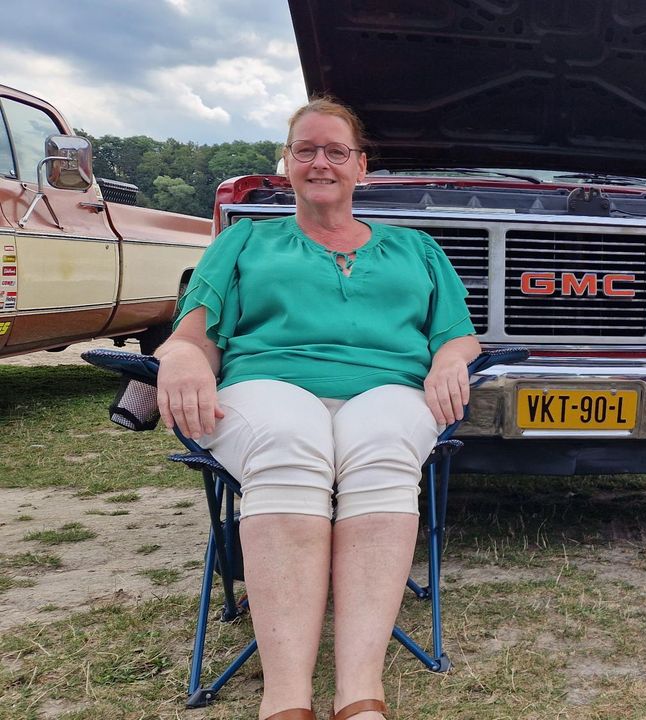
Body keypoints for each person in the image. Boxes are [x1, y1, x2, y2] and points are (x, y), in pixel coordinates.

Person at [155, 96, 479, 720]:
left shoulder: (417, 248)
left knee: (384, 445)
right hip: (267, 383)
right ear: (287, 164)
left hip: (391, 388)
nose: (320, 162)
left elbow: (459, 335)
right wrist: (184, 358)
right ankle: (286, 698)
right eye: (306, 150)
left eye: (336, 151)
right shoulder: (245, 238)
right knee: (288, 439)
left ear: (362, 166)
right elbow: (193, 331)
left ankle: (359, 694)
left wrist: (448, 360)